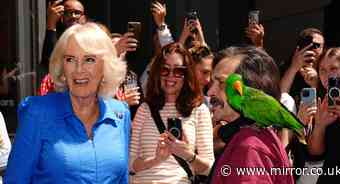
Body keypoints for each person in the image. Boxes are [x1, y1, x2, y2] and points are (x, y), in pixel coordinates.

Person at [4, 22, 130, 184]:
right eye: (70, 59)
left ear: (106, 67)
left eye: (89, 59)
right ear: (62, 67)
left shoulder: (120, 114)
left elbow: (122, 179)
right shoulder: (37, 113)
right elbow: (15, 180)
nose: (78, 69)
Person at [129, 43, 214, 183]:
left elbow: (208, 168)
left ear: (187, 74)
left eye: (178, 71)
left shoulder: (199, 110)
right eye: (164, 70)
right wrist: (156, 159)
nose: (170, 76)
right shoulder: (145, 109)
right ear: (157, 72)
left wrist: (186, 154)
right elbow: (130, 164)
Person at [208, 46, 294, 184]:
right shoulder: (252, 137)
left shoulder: (249, 148)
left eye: (222, 83)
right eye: (212, 83)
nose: (210, 92)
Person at [308, 47, 340, 184]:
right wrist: (319, 126)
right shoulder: (322, 102)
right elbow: (315, 155)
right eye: (322, 70)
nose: (327, 75)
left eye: (333, 69)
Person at [38, 0, 86, 95]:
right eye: (69, 13)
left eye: (77, 13)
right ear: (62, 17)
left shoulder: (93, 37)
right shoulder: (58, 38)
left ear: (84, 18)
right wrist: (51, 23)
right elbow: (49, 63)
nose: (73, 16)